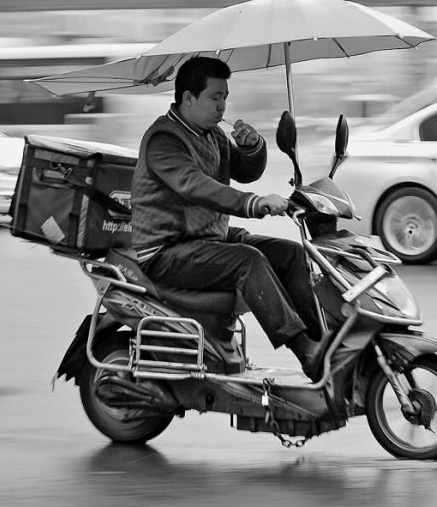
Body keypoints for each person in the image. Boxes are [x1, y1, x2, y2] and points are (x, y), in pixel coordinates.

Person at [129, 56, 328, 380]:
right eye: (214, 98)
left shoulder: (212, 134)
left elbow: (245, 172)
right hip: (167, 249)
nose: (222, 107)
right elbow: (195, 185)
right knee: (247, 260)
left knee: (290, 254)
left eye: (225, 98)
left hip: (208, 237)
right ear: (188, 98)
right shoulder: (163, 140)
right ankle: (304, 350)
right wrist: (254, 203)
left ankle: (323, 342)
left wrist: (253, 148)